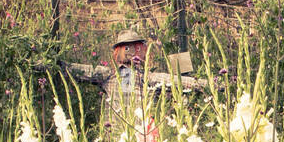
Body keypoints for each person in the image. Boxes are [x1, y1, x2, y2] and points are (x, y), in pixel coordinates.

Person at [66, 29, 205, 130]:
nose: (132, 52)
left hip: (141, 133)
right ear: (119, 51)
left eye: (136, 47)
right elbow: (80, 70)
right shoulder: (108, 74)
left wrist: (212, 83)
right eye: (127, 48)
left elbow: (179, 81)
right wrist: (57, 65)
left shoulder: (148, 78)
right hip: (115, 133)